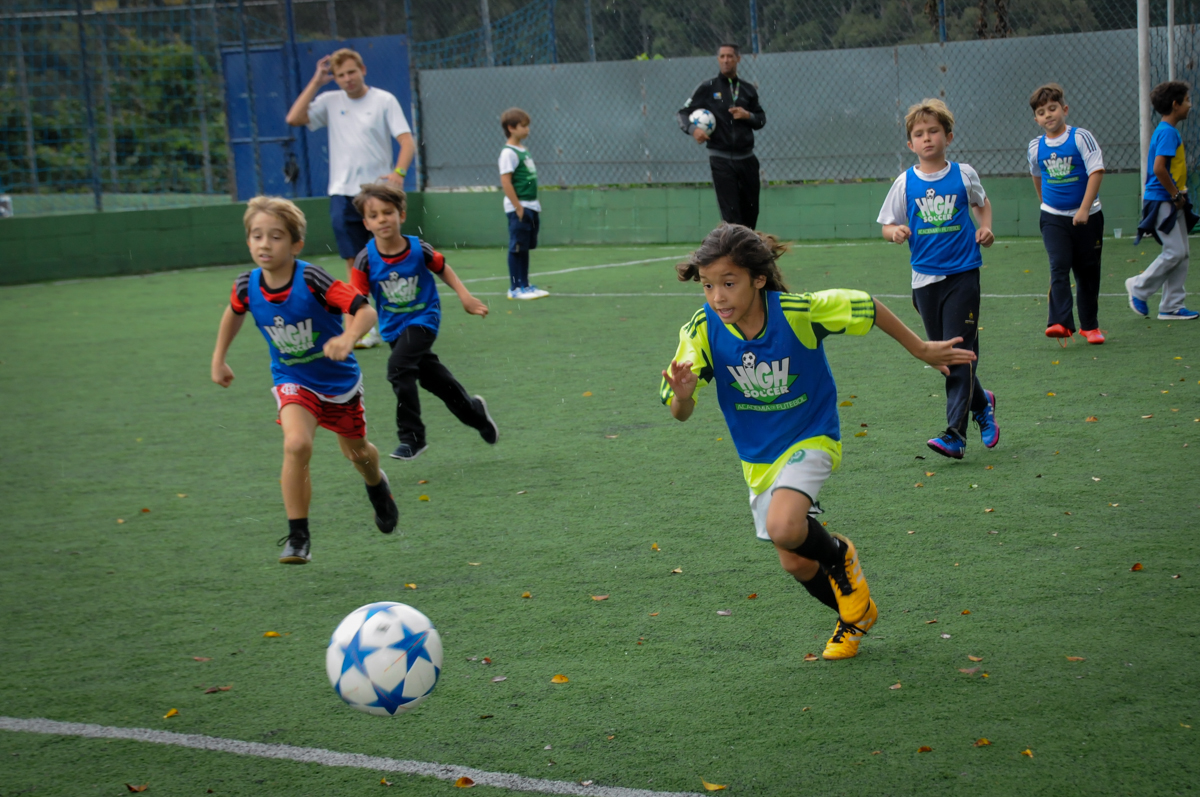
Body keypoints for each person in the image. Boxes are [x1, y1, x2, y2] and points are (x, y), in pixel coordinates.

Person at [659, 224, 976, 660]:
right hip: (758, 457)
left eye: (728, 284)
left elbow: (865, 305)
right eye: (709, 285)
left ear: (759, 278)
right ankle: (854, 619)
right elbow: (682, 412)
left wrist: (920, 348)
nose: (717, 297)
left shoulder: (796, 312)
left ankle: (842, 556)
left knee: (784, 527)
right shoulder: (702, 329)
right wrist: (682, 394)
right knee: (793, 558)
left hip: (812, 434)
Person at [210, 196, 400, 565]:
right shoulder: (246, 285)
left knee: (357, 453)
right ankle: (298, 536)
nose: (265, 244)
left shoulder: (311, 278)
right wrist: (219, 358)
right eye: (257, 235)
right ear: (248, 240)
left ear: (296, 244)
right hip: (292, 379)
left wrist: (347, 338)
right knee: (297, 444)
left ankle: (377, 485)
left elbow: (365, 309)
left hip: (338, 382)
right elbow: (234, 313)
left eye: (276, 236)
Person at [877, 98, 998, 460]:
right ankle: (982, 402)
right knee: (942, 356)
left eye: (933, 131)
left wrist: (986, 227)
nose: (927, 138)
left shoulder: (963, 174)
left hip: (963, 274)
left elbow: (982, 203)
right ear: (910, 144)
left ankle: (954, 435)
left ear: (948, 136)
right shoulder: (905, 182)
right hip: (924, 282)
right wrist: (895, 231)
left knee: (958, 351)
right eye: (919, 134)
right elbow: (886, 224)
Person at [350, 183, 499, 461]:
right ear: (366, 223)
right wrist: (348, 335)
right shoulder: (364, 260)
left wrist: (465, 297)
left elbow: (443, 268)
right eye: (374, 215)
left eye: (388, 212)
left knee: (397, 368)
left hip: (423, 319)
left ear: (401, 215)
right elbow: (355, 301)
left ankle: (412, 438)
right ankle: (476, 415)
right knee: (436, 382)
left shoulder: (419, 249)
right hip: (393, 328)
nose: (382, 219)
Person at [285, 48, 417, 347]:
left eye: (351, 72)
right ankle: (364, 329)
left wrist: (398, 172)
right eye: (340, 75)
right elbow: (294, 117)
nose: (347, 79)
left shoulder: (384, 100)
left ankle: (397, 322)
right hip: (342, 194)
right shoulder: (330, 101)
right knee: (353, 263)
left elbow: (406, 141)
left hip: (377, 195)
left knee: (386, 260)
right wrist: (318, 81)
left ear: (363, 70)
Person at [1027, 83, 1107, 344]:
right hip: (1053, 218)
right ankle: (1060, 322)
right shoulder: (1035, 147)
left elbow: (1096, 171)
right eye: (1041, 112)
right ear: (1036, 118)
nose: (1048, 115)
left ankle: (1090, 326)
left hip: (1088, 216)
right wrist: (1046, 205)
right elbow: (1037, 175)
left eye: (1052, 108)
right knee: (1058, 266)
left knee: (1087, 272)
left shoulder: (1081, 137)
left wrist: (1084, 209)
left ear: (1065, 109)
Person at [1130, 80, 1200, 321]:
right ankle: (1139, 287)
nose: (1190, 106)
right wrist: (1175, 195)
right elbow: (1160, 169)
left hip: (1171, 199)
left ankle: (1171, 306)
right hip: (1163, 200)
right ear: (1175, 104)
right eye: (1187, 101)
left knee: (1182, 253)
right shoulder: (1168, 133)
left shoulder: (1168, 131)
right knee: (1174, 252)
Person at [677, 43, 766, 229]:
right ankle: (734, 255)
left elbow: (761, 120)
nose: (726, 60)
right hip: (721, 159)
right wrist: (694, 130)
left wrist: (747, 115)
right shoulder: (707, 87)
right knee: (731, 215)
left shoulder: (748, 89)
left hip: (747, 159)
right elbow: (683, 114)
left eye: (730, 56)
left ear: (738, 59)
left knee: (751, 212)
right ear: (718, 60)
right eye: (722, 57)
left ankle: (746, 254)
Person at [499, 108, 549, 300]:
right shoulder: (508, 153)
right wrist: (518, 207)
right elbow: (506, 181)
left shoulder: (523, 150)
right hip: (519, 207)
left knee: (525, 247)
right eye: (523, 126)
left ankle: (525, 285)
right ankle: (515, 287)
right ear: (511, 128)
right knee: (517, 247)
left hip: (531, 205)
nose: (528, 130)